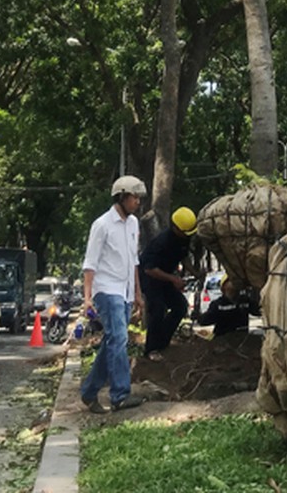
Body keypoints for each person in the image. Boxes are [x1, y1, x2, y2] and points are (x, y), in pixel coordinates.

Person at [79, 175, 148, 414]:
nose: (137, 202)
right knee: (119, 338)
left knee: (112, 341)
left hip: (126, 291)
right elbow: (90, 264)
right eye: (134, 197)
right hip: (107, 290)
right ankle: (119, 394)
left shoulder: (133, 224)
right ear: (121, 197)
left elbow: (134, 262)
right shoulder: (102, 225)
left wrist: (138, 293)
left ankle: (89, 392)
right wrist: (87, 298)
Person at [138, 206, 197, 361]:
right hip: (149, 278)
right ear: (176, 228)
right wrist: (174, 279)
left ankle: (163, 342)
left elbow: (183, 257)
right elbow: (149, 269)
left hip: (165, 277)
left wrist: (194, 272)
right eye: (185, 232)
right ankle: (151, 349)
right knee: (157, 309)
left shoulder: (184, 239)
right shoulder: (162, 242)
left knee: (180, 306)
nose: (187, 236)